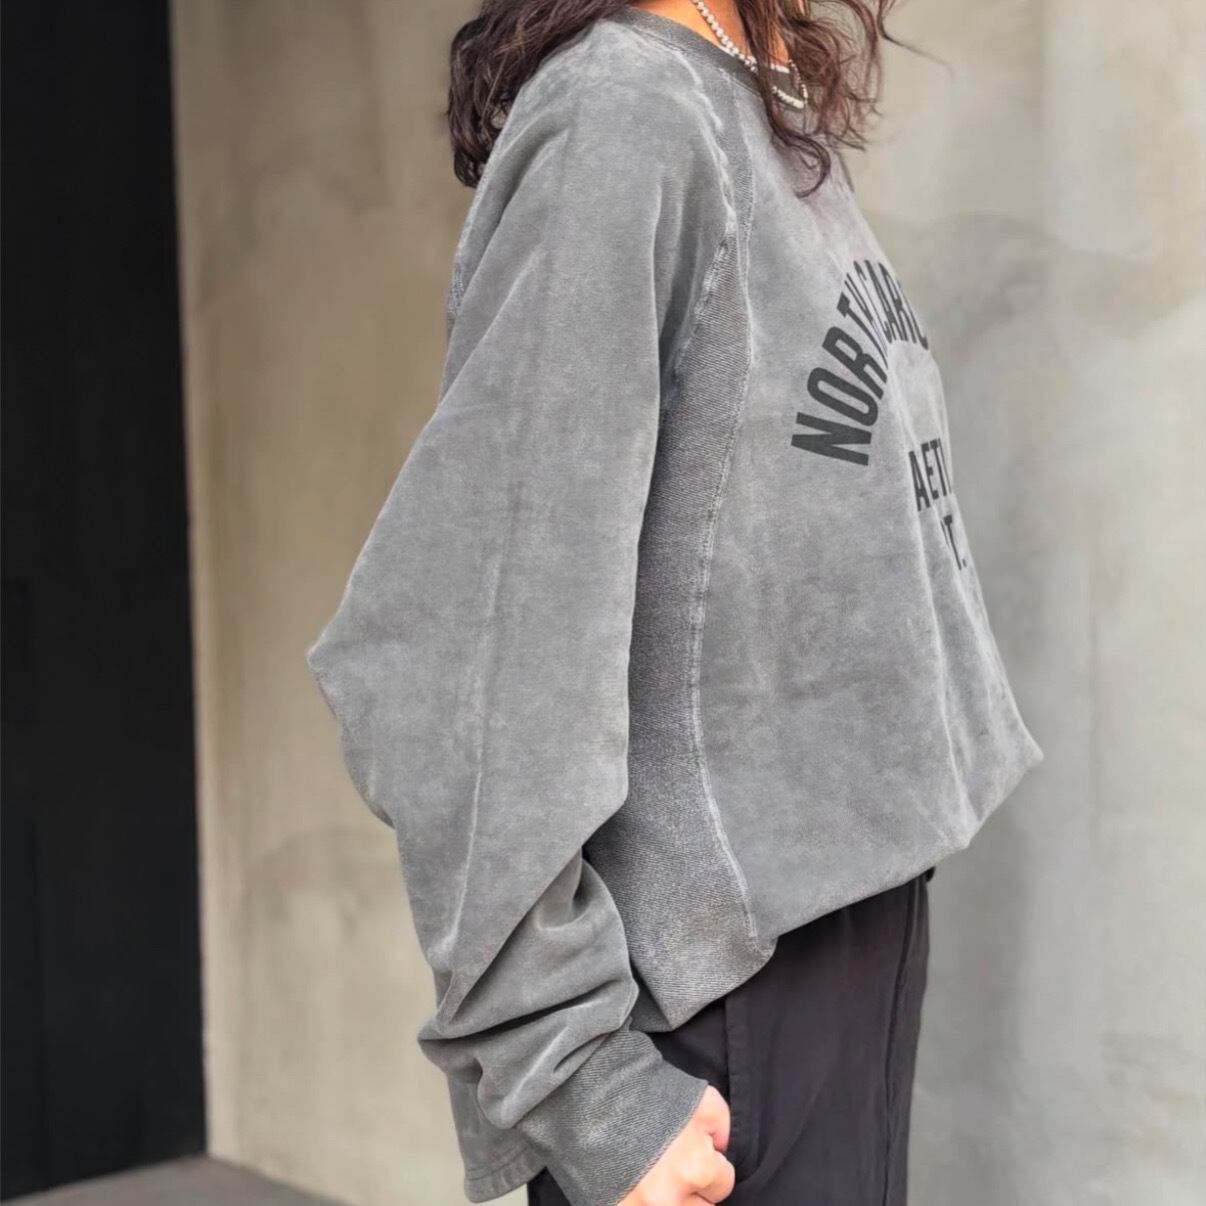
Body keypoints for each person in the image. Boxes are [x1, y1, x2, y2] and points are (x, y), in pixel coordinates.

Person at [305, 2, 1045, 1203]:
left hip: (836, 947)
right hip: (713, 1016)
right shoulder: (624, 116)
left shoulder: (749, 103)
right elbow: (469, 641)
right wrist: (584, 1085)